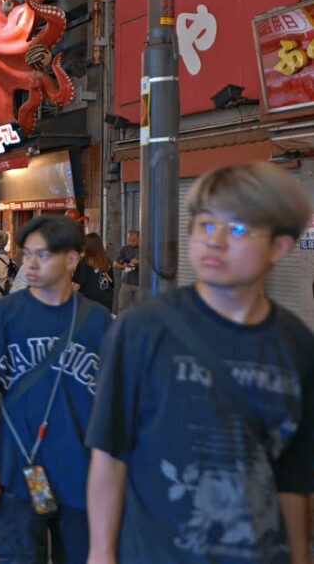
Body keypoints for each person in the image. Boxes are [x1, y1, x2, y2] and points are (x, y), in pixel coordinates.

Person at [87, 162, 314, 564]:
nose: (216, 241)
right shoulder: (142, 330)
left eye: (238, 229)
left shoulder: (295, 344)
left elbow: (293, 479)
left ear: (279, 246)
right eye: (206, 225)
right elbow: (109, 453)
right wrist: (101, 553)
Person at [0, 216, 113, 563]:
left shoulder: (99, 322)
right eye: (27, 253)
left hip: (82, 480)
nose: (30, 263)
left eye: (42, 255)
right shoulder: (2, 316)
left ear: (72, 260)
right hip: (16, 474)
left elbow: (116, 406)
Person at [78, 233, 114, 311]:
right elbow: (112, 283)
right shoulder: (106, 259)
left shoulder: (85, 261)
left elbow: (77, 284)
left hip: (88, 303)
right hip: (105, 301)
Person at [113, 229, 140, 313]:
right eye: (130, 240)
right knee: (122, 308)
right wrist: (123, 267)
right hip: (126, 283)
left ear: (140, 238)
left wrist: (139, 262)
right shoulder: (125, 249)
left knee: (139, 310)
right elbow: (115, 264)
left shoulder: (145, 249)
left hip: (140, 284)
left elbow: (152, 263)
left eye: (134, 240)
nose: (132, 242)